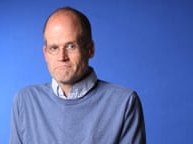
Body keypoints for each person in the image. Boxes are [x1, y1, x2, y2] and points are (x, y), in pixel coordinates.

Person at [9, 6, 146, 144]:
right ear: (45, 53)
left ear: (90, 49)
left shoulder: (124, 103)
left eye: (71, 46)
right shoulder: (25, 101)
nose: (62, 57)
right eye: (54, 48)